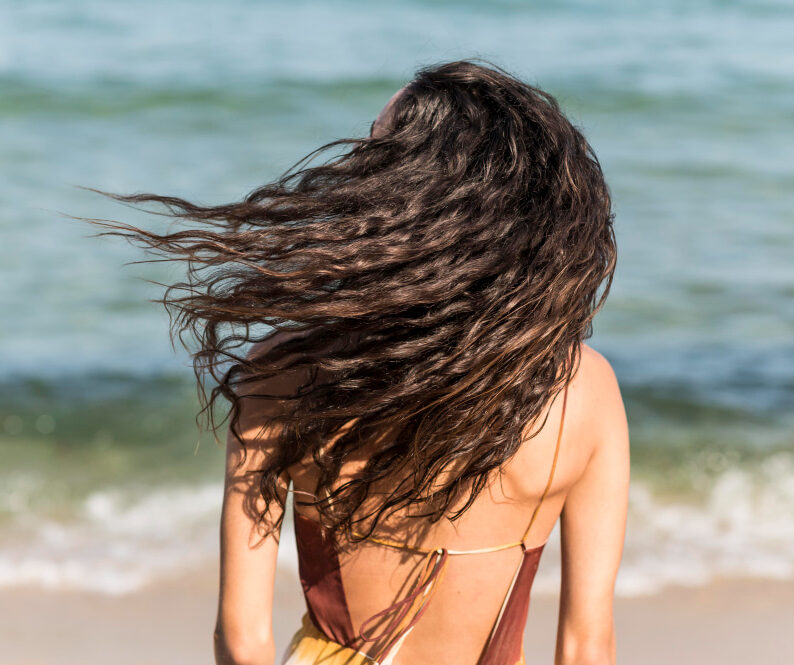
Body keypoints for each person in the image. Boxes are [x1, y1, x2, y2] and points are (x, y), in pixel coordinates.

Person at [91, 60, 628, 665]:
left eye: (375, 156)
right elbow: (587, 645)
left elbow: (241, 639)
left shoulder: (285, 369)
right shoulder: (583, 388)